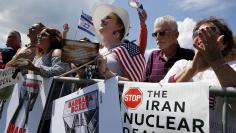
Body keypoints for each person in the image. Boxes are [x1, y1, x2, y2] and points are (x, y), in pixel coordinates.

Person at [161, 17, 236, 133]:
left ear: (224, 43)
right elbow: (160, 97)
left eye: (211, 30)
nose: (203, 35)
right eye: (198, 33)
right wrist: (192, 69)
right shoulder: (182, 65)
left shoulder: (233, 67)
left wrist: (216, 61)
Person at [93, 4, 146, 81]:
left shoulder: (129, 49)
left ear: (120, 26)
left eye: (108, 18)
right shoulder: (96, 51)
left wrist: (107, 72)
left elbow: (133, 85)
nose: (101, 20)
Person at [143, 16, 194, 82]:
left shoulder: (190, 55)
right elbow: (143, 84)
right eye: (155, 34)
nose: (157, 38)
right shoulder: (153, 56)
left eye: (162, 33)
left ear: (176, 35)